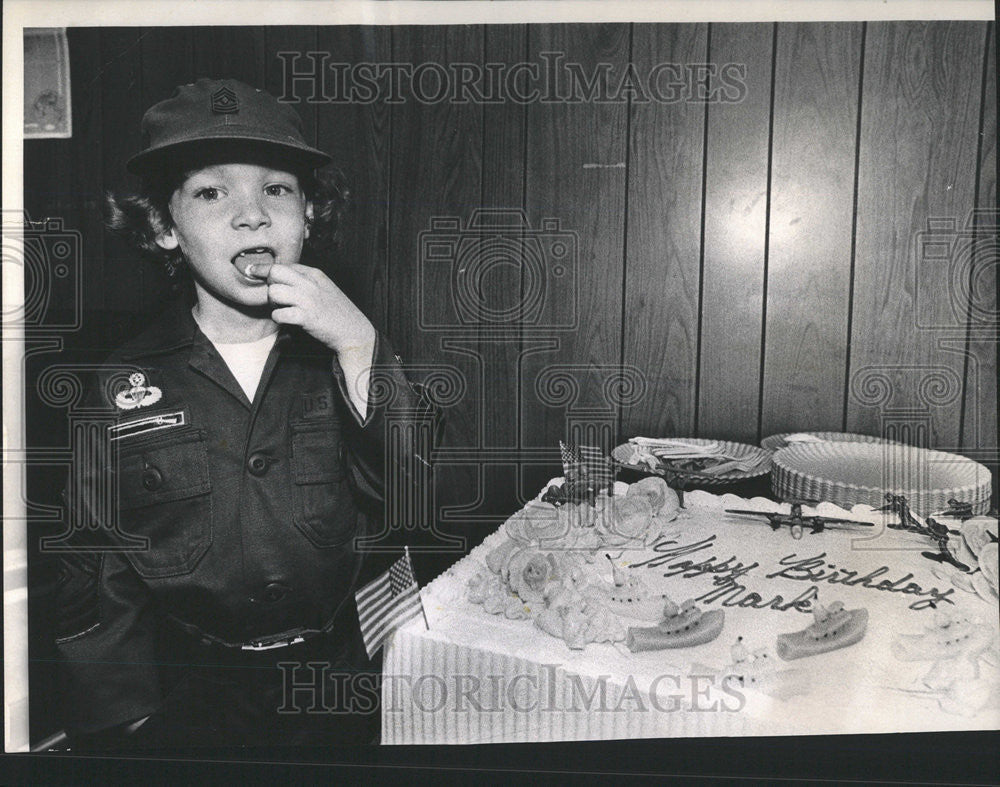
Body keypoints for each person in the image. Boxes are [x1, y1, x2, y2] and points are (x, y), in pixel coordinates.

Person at [53, 78, 425, 749]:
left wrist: (360, 344)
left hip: (343, 682)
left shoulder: (353, 352)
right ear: (164, 227)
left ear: (309, 215)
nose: (252, 215)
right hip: (192, 691)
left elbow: (413, 495)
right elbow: (96, 561)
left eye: (276, 189)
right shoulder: (118, 385)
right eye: (211, 191)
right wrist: (123, 713)